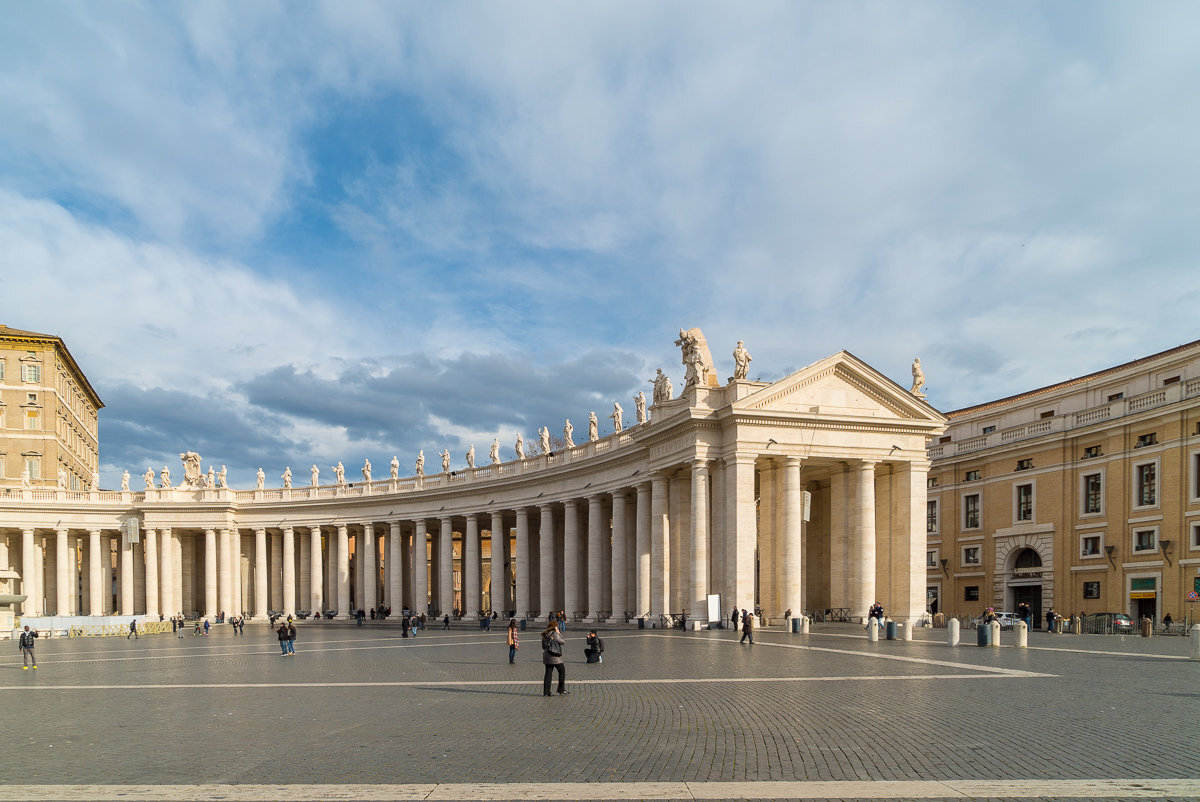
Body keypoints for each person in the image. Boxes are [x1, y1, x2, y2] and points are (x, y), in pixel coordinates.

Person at [541, 615, 567, 696]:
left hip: (547, 656)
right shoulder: (555, 634)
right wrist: (559, 633)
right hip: (555, 657)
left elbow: (543, 646)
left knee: (548, 674)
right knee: (562, 671)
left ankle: (546, 692)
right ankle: (561, 689)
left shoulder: (544, 634)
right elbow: (562, 642)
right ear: (555, 627)